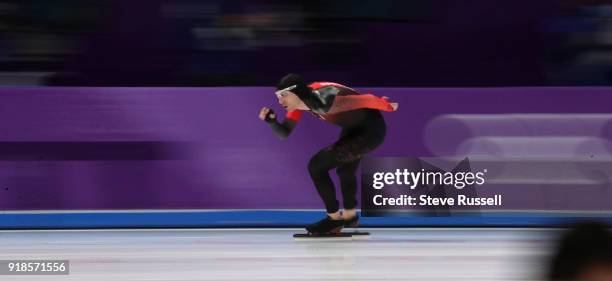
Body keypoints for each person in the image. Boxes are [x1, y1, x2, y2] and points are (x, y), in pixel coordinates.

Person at [258, 73, 398, 234]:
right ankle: (350, 217)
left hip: (371, 131)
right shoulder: (302, 101)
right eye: (278, 96)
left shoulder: (324, 99)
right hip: (354, 128)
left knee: (317, 166)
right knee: (344, 169)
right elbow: (284, 132)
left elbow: (367, 99)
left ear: (296, 92)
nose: (280, 101)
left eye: (283, 95)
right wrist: (272, 121)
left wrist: (387, 106)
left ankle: (334, 219)